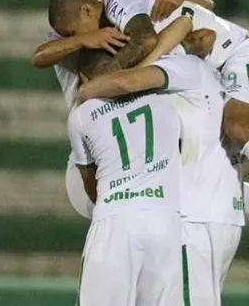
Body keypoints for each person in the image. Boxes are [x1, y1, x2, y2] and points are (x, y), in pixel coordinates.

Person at [57, 0, 249, 298]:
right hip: (206, 75)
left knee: (237, 125)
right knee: (216, 172)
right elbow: (189, 15)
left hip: (238, 57)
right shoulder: (116, 27)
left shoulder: (119, 2)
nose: (75, 39)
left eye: (73, 32)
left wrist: (115, 81)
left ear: (88, 8)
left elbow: (160, 34)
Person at [68, 48, 184, 306]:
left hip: (115, 221)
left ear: (84, 78)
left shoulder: (80, 116)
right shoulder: (166, 98)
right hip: (165, 220)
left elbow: (90, 183)